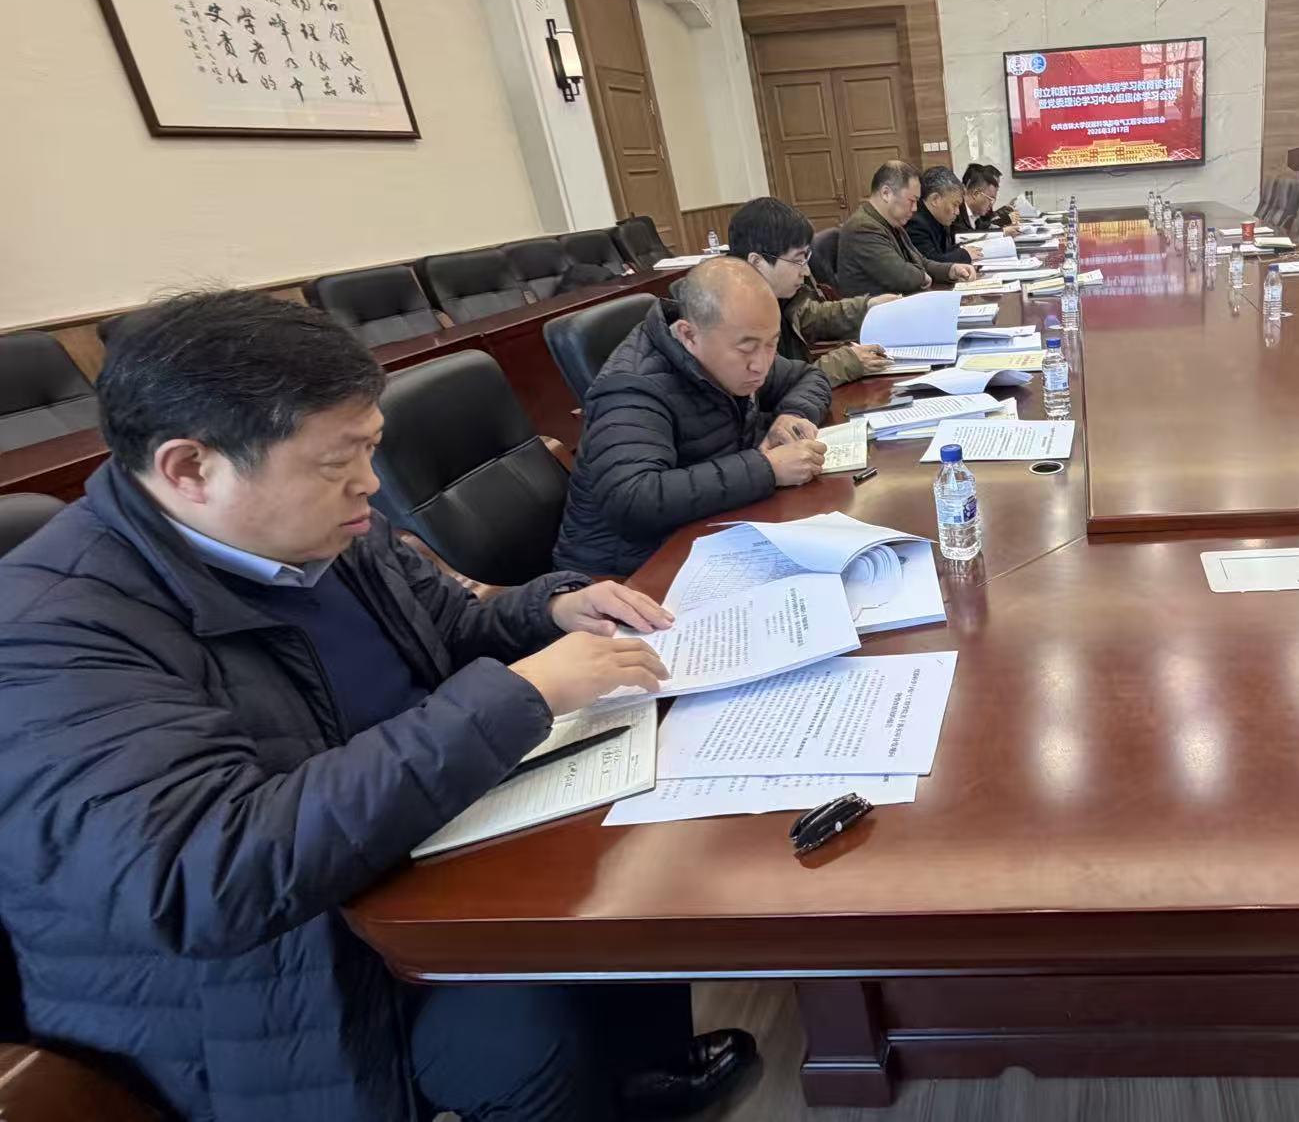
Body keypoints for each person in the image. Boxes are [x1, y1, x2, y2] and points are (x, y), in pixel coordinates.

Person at [0, 290, 757, 1122]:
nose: (370, 484)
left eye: (370, 448)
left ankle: (642, 1071)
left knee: (627, 849)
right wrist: (521, 693)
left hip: (407, 844)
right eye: (338, 462)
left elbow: (450, 626)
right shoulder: (50, 630)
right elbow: (209, 873)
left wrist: (550, 610)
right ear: (191, 469)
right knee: (531, 1028)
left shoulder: (322, 528)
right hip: (279, 982)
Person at [554, 257, 833, 577]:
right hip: (626, 572)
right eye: (747, 349)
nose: (761, 364)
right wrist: (767, 469)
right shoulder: (632, 386)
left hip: (706, 531)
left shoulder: (733, 348)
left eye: (772, 344)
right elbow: (632, 499)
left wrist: (792, 414)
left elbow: (809, 377)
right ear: (688, 335)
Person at [728, 195, 898, 386]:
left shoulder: (780, 298)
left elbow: (813, 317)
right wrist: (847, 362)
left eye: (805, 259)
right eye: (797, 260)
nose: (806, 271)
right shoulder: (735, 321)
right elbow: (777, 387)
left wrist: (868, 306)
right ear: (757, 262)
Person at [836, 160, 979, 295]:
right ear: (886, 193)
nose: (915, 208)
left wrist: (951, 270)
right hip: (879, 309)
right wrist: (922, 276)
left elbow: (921, 261)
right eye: (912, 200)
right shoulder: (863, 228)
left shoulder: (892, 224)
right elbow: (901, 276)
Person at [906, 165, 987, 266]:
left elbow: (945, 251)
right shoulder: (916, 224)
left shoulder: (939, 220)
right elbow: (930, 263)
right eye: (955, 205)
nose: (957, 212)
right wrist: (964, 254)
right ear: (935, 199)